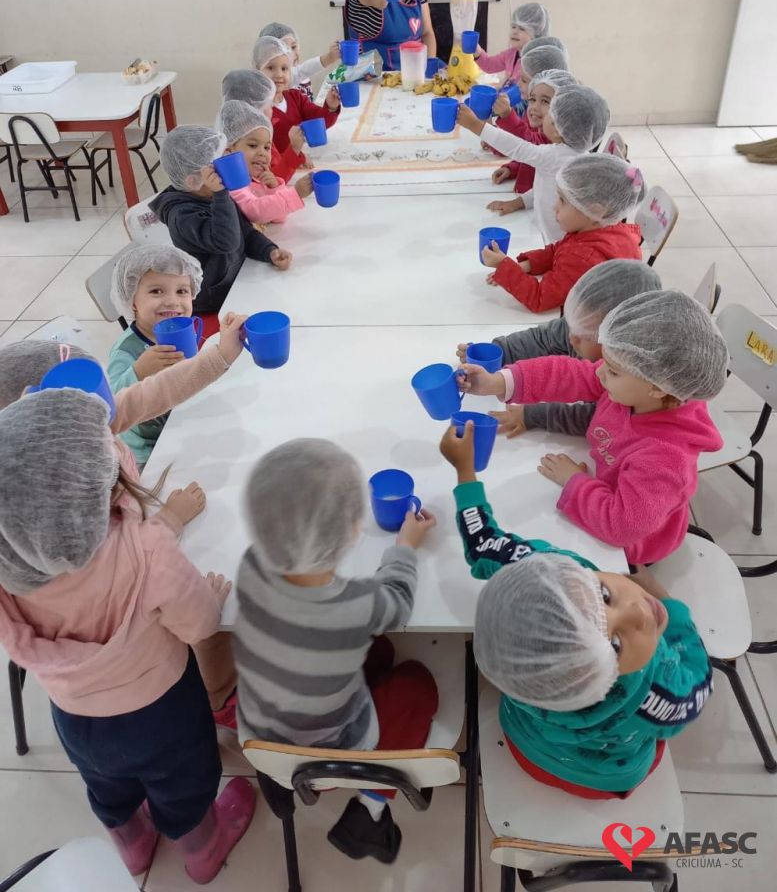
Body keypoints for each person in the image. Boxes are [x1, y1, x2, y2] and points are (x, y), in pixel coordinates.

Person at [0, 377, 257, 882]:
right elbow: (199, 623)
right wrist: (209, 595)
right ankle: (203, 851)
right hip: (162, 713)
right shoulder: (148, 549)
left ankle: (134, 847)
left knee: (107, 787)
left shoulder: (11, 573)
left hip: (76, 719)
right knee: (183, 786)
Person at [438, 421, 713, 798]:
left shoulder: (539, 575)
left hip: (527, 746)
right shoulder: (660, 692)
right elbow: (698, 682)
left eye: (605, 595)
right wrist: (673, 611)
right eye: (615, 645)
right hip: (606, 778)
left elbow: (483, 542)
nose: (639, 613)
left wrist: (464, 470)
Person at [0, 321, 251, 728]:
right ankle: (219, 700)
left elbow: (152, 393)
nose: (99, 410)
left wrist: (219, 356)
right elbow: (191, 614)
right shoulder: (124, 552)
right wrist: (168, 521)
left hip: (75, 710)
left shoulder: (43, 466)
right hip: (158, 698)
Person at [234, 439, 439, 864]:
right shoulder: (354, 605)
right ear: (352, 532)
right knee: (417, 682)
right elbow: (398, 602)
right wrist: (405, 547)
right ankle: (371, 809)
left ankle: (278, 778)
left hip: (261, 733)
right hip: (330, 750)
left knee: (377, 651)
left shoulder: (250, 566)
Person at [456, 290, 729, 567]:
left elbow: (621, 526)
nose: (599, 372)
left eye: (612, 371)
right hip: (606, 493)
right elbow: (569, 375)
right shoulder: (639, 388)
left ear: (657, 388)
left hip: (630, 546)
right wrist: (498, 382)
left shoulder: (665, 459)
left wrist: (575, 481)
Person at [457, 260, 662, 437]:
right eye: (571, 324)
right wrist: (501, 352)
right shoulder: (586, 324)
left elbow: (597, 418)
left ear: (620, 342)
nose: (571, 337)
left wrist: (532, 416)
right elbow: (546, 343)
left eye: (583, 334)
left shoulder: (633, 383)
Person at [151, 126, 292, 333]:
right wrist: (220, 195)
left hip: (237, 280)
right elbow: (227, 242)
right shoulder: (182, 216)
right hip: (213, 300)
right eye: (216, 166)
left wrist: (269, 251)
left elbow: (244, 231)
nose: (225, 167)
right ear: (194, 180)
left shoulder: (212, 195)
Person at [478, 155, 644, 313]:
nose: (554, 206)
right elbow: (558, 250)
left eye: (562, 201)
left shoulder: (584, 257)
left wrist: (504, 267)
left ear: (595, 210)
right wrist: (523, 266)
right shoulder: (602, 229)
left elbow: (540, 298)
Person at [459, 83, 610, 243]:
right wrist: (518, 203)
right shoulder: (579, 155)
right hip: (553, 235)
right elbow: (547, 187)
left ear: (558, 128)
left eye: (550, 114)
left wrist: (474, 124)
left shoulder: (554, 156)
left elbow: (517, 148)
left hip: (555, 240)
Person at [107, 244, 203, 467]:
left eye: (182, 291)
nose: (172, 301)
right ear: (132, 300)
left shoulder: (182, 331)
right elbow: (111, 406)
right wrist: (138, 371)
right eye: (156, 291)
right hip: (148, 447)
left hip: (180, 421)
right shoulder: (126, 350)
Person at [489, 69, 577, 212]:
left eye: (545, 101)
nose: (535, 107)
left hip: (543, 209)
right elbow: (530, 155)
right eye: (532, 99)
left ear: (563, 108)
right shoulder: (541, 128)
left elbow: (529, 144)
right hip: (529, 201)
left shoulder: (557, 141)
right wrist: (512, 169)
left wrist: (506, 115)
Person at [215, 100, 312, 229]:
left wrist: (273, 188)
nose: (262, 153)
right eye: (253, 145)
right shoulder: (230, 181)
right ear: (229, 150)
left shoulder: (255, 178)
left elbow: (279, 217)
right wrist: (296, 194)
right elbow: (254, 212)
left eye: (267, 147)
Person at [253, 36, 341, 173]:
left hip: (297, 164)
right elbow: (263, 154)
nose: (279, 74)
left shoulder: (295, 97)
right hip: (275, 172)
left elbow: (318, 122)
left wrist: (330, 106)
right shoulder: (258, 111)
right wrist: (295, 154)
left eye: (284, 68)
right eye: (270, 68)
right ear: (258, 71)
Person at [221, 69, 305, 181]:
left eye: (266, 148)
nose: (272, 108)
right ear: (253, 108)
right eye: (269, 104)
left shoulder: (255, 135)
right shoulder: (251, 137)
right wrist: (294, 149)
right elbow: (271, 178)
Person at [258, 20, 340, 100]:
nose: (292, 53)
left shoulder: (302, 77)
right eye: (285, 49)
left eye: (294, 47)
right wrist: (330, 57)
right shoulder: (280, 79)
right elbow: (302, 70)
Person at [474, 2, 550, 88]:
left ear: (536, 34)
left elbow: (531, 92)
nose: (515, 32)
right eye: (513, 27)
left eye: (522, 29)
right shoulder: (511, 54)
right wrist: (477, 50)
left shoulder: (536, 62)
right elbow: (490, 65)